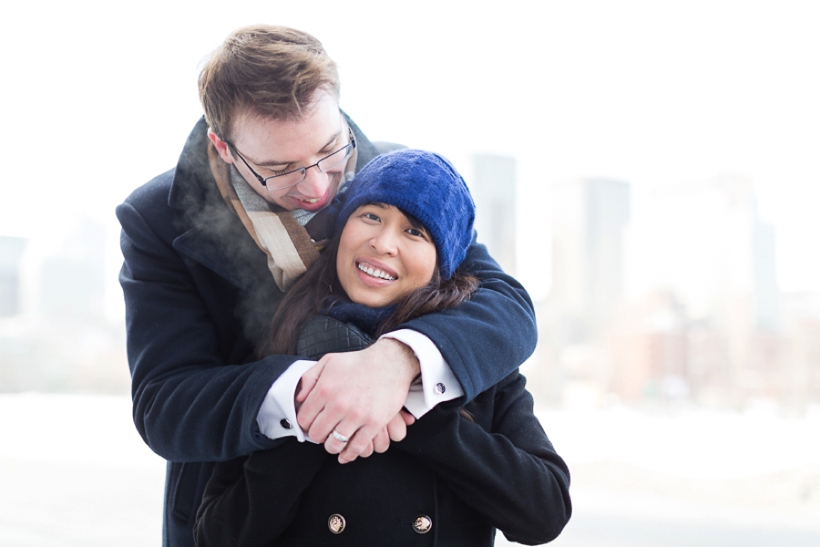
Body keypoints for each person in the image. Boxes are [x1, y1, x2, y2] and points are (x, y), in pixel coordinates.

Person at [116, 25, 537, 547]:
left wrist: (394, 364)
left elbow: (504, 305)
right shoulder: (157, 218)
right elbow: (166, 405)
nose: (318, 187)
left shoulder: (396, 176)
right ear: (223, 147)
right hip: (245, 513)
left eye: (330, 148)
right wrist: (320, 392)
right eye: (279, 168)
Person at [194, 149, 571, 547]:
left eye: (415, 232)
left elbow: (544, 513)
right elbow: (214, 535)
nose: (384, 243)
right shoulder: (283, 349)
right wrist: (316, 414)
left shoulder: (470, 364)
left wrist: (415, 406)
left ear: (443, 264)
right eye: (371, 215)